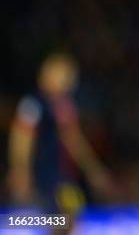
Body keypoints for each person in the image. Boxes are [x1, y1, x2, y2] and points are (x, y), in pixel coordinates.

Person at [7, 53, 115, 214]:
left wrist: (94, 171)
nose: (68, 80)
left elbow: (74, 140)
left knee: (69, 218)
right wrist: (21, 170)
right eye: (63, 74)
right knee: (47, 219)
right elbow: (21, 138)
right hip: (42, 176)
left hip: (62, 176)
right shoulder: (33, 103)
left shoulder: (64, 105)